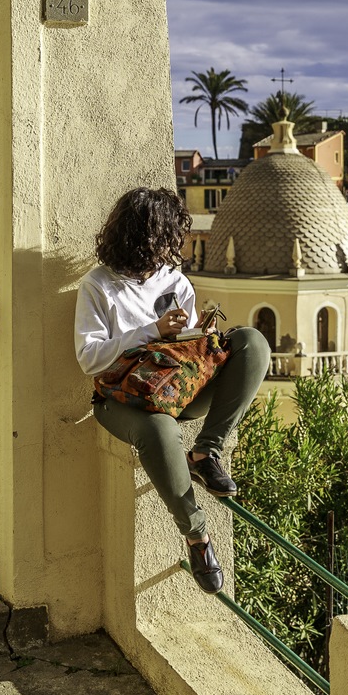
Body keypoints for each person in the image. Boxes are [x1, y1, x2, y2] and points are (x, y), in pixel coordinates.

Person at [74, 186, 269, 594]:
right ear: (142, 238)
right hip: (123, 398)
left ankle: (205, 451)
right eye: (165, 240)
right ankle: (197, 536)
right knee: (160, 431)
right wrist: (151, 332)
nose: (171, 249)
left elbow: (185, 348)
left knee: (252, 343)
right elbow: (90, 359)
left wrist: (203, 337)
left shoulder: (175, 281)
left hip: (177, 387)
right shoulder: (98, 286)